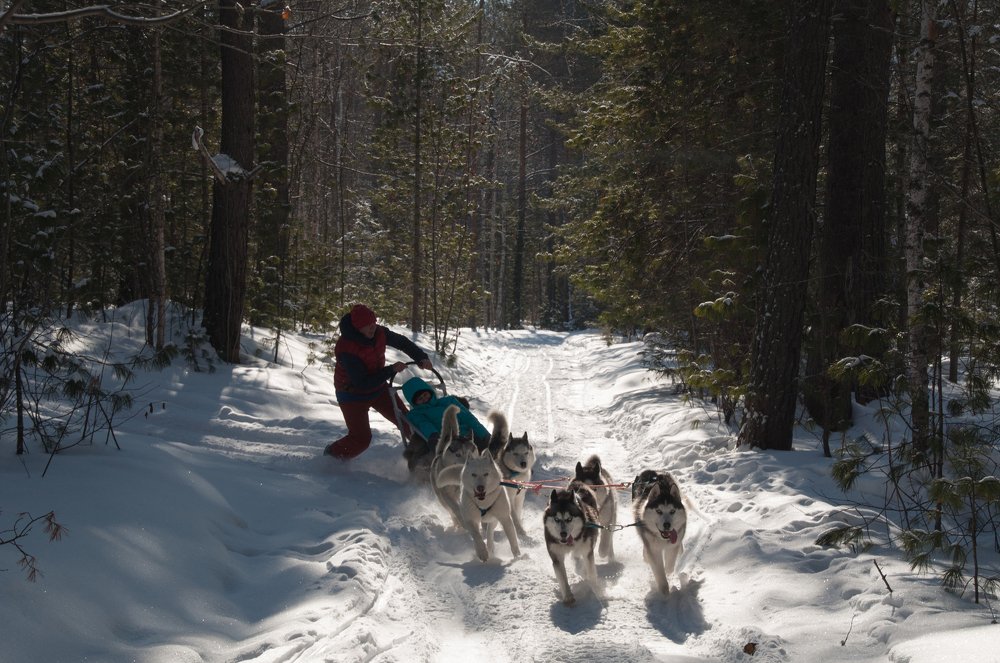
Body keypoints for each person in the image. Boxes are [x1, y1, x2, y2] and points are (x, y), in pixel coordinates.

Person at [324, 304, 433, 460]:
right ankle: (331, 457)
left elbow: (402, 342)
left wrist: (421, 357)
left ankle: (427, 457)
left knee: (408, 423)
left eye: (373, 323)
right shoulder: (347, 348)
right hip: (352, 395)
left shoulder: (379, 333)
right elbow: (362, 383)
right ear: (357, 327)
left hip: (378, 388)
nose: (372, 328)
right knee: (361, 439)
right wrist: (391, 370)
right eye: (367, 326)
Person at [401, 376, 491, 460]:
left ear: (430, 391)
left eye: (425, 395)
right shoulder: (416, 413)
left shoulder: (448, 401)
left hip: (467, 434)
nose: (424, 399)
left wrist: (484, 434)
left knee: (489, 451)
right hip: (447, 440)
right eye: (420, 399)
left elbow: (468, 418)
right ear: (414, 403)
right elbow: (424, 424)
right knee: (466, 457)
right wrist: (433, 436)